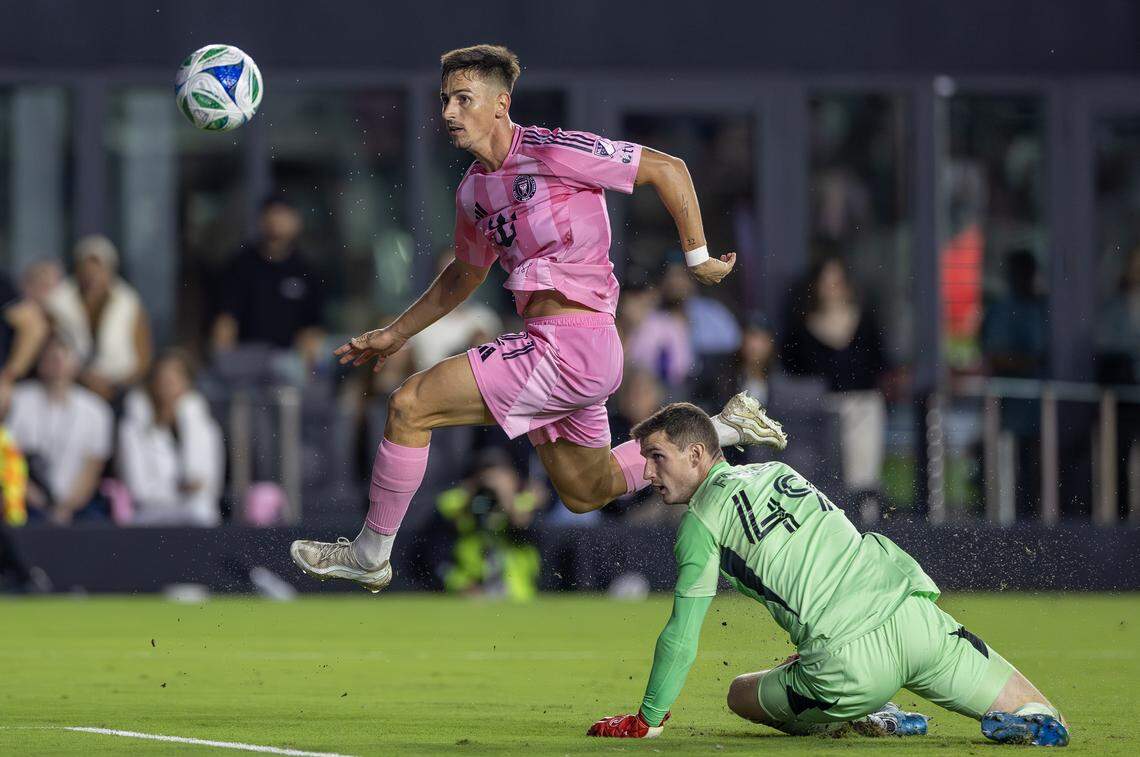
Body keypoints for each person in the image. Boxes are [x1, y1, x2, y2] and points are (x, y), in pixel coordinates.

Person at [289, 43, 787, 592]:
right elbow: (463, 276)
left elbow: (668, 169)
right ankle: (723, 426)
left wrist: (698, 259)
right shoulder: (474, 192)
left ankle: (370, 553)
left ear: (501, 104)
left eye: (463, 99)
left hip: (573, 345)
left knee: (409, 405)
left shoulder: (553, 150)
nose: (449, 113)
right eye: (444, 101)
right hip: (556, 348)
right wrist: (393, 333)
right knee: (585, 491)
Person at [585, 403, 1069, 747]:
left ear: (695, 456)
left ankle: (866, 709)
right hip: (915, 619)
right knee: (1041, 713)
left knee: (740, 694)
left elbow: (682, 634)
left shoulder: (699, 524)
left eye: (656, 456)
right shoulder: (778, 471)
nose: (647, 471)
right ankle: (1032, 724)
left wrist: (647, 719)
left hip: (848, 667)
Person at [781, 257, 888, 514]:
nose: (832, 289)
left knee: (863, 474)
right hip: (822, 409)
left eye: (837, 282)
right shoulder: (802, 329)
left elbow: (880, 362)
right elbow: (792, 370)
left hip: (863, 406)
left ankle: (866, 523)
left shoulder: (865, 321)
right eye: (826, 283)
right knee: (826, 475)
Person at [6, 336, 113, 525]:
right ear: (40, 363)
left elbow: (92, 468)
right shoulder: (18, 400)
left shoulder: (96, 410)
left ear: (77, 364)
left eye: (64, 356)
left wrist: (67, 507)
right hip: (25, 499)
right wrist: (30, 495)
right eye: (51, 357)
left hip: (77, 504)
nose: (57, 362)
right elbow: (8, 455)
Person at [211, 196, 326, 362]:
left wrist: (305, 368)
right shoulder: (240, 265)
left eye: (283, 215)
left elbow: (312, 328)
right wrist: (224, 361)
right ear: (261, 221)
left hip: (288, 360)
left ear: (296, 222)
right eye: (272, 214)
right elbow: (225, 321)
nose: (276, 221)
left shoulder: (306, 270)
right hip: (247, 357)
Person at [117, 350, 224, 527]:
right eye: (163, 376)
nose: (169, 382)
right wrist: (179, 490)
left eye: (176, 375)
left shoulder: (207, 428)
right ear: (153, 382)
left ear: (188, 382)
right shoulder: (132, 427)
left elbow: (211, 484)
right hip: (150, 520)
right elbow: (138, 489)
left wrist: (191, 490)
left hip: (199, 519)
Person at [45, 235, 153, 402]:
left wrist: (115, 385)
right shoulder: (58, 303)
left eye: (99, 270)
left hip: (121, 389)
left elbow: (143, 357)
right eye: (86, 270)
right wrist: (84, 378)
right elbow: (51, 350)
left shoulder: (130, 303)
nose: (92, 276)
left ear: (110, 271)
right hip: (71, 387)